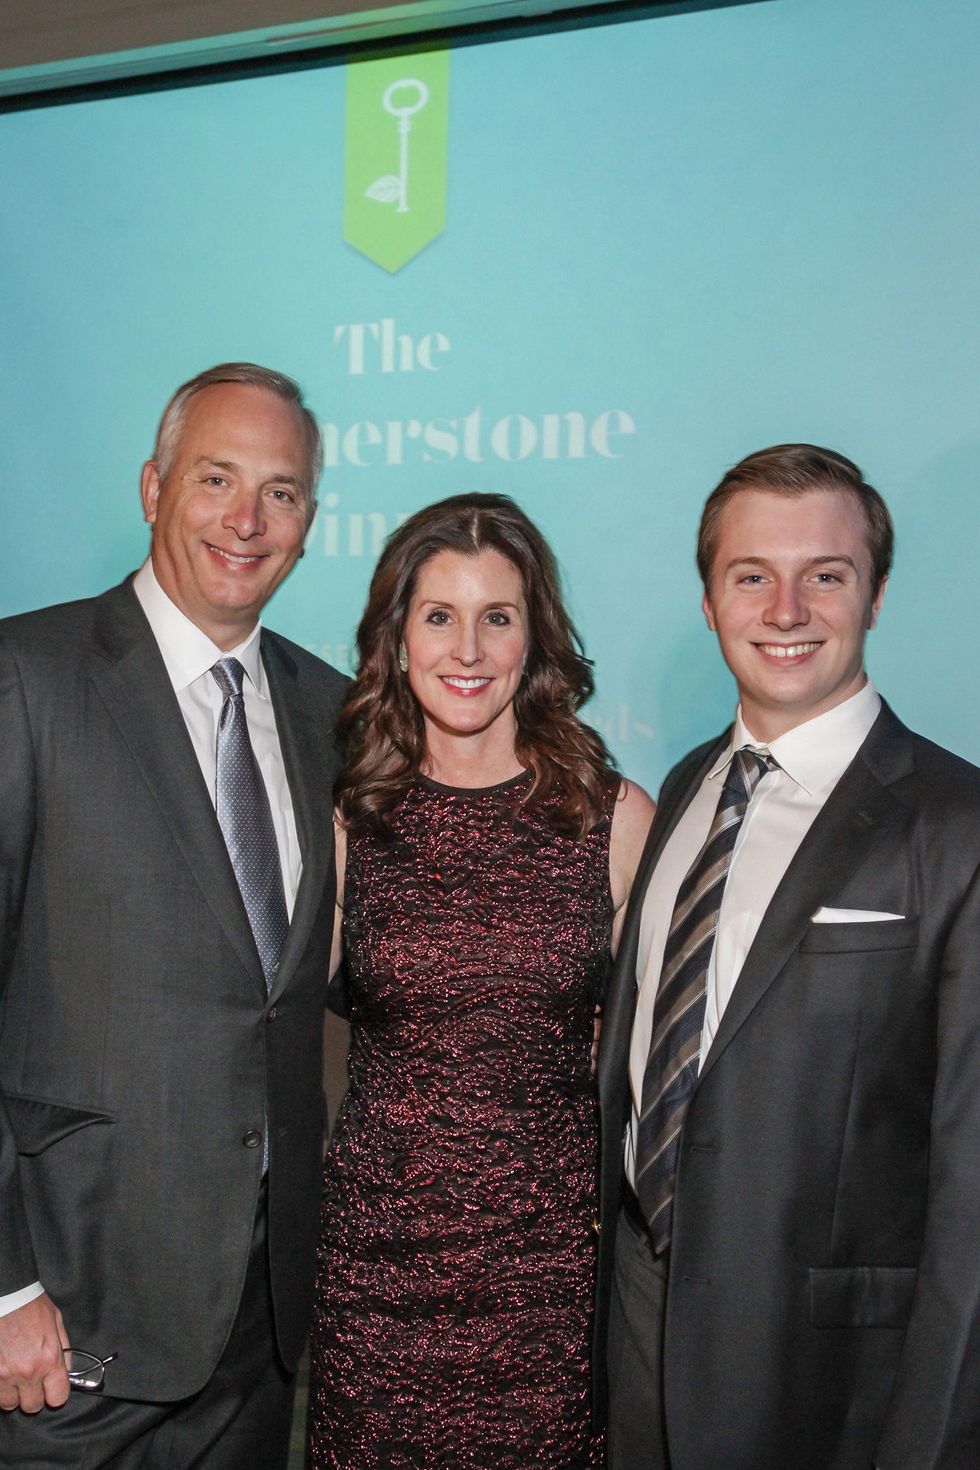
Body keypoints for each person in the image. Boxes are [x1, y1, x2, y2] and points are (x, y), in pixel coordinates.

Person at [594, 443, 980, 1470]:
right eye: (751, 575)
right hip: (636, 1328)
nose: (786, 610)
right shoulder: (685, 788)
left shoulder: (957, 827)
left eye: (826, 575)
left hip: (829, 1382)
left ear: (877, 594)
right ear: (708, 599)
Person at [0, 363, 348, 1468]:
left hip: (261, 1326)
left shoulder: (331, 709)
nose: (247, 520)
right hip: (65, 1318)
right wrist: (2, 1286)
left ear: (308, 522)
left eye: (281, 492)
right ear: (154, 488)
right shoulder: (24, 677)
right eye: (216, 479)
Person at [308, 492, 653, 1470]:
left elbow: (654, 1062)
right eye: (438, 616)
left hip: (549, 1281)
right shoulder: (350, 819)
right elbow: (256, 1024)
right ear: (396, 636)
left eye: (496, 617)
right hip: (373, 1279)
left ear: (532, 637)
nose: (467, 649)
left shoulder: (612, 820)